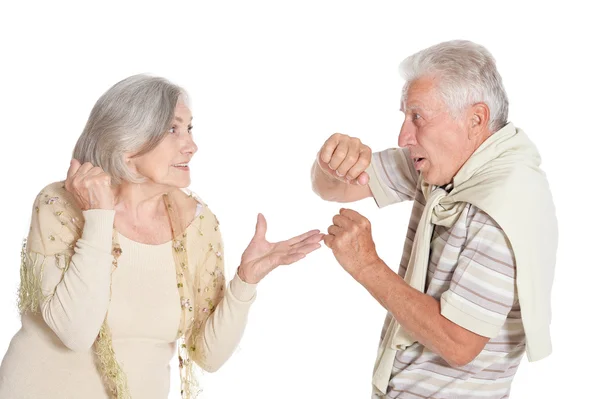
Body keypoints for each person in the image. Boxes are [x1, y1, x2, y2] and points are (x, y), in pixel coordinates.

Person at [0, 74, 323, 399]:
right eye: (173, 129)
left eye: (189, 128)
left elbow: (208, 356)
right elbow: (76, 332)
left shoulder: (196, 224)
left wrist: (245, 282)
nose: (192, 145)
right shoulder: (60, 206)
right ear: (127, 141)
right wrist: (98, 216)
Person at [311, 40, 558, 398]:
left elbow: (459, 344)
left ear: (475, 120)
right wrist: (331, 161)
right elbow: (333, 189)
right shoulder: (447, 165)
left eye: (418, 117)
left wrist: (366, 266)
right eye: (404, 116)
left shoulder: (503, 207)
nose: (403, 136)